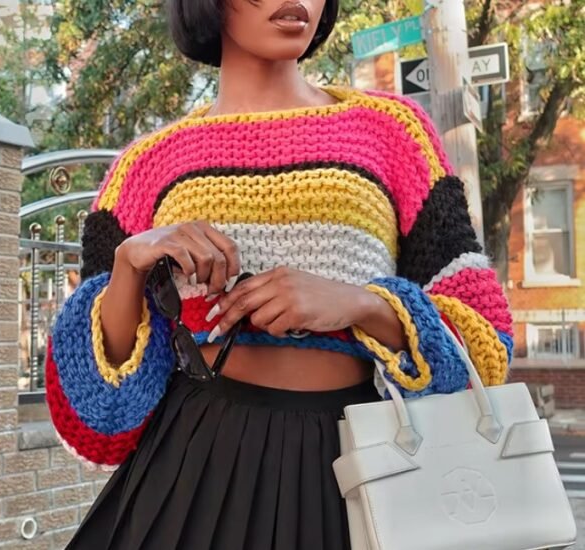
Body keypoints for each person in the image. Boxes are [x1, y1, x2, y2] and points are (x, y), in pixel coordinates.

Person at [45, 0, 514, 548]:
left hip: (367, 460)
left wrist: (359, 304)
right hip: (197, 461)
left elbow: (485, 344)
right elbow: (97, 407)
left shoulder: (393, 132)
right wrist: (130, 264)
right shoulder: (146, 163)